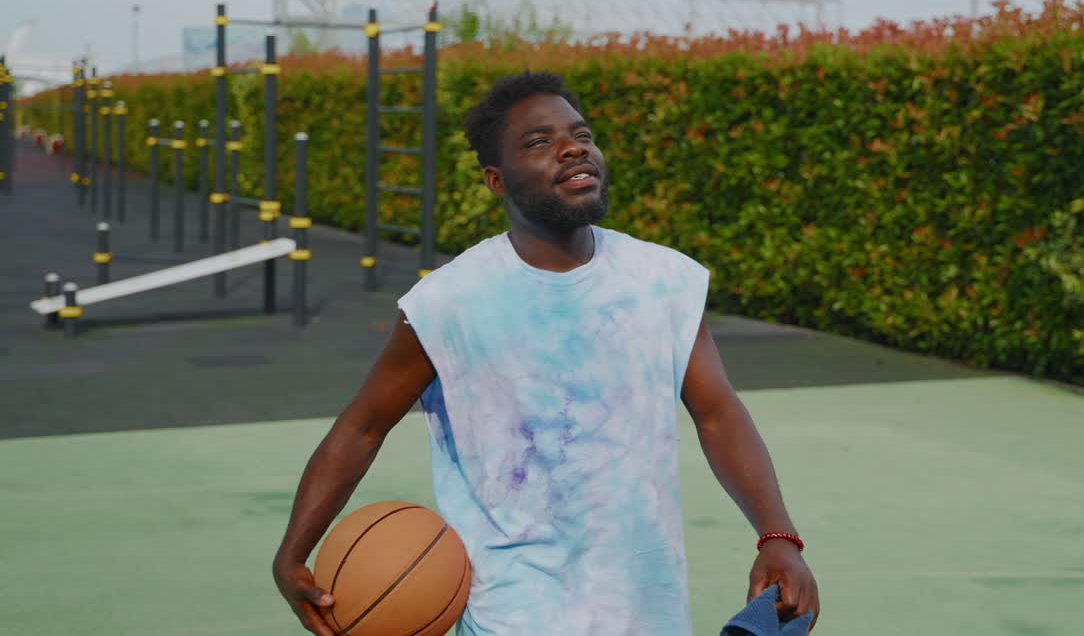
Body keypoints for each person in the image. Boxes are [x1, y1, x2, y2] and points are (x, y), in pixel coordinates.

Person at [272, 71, 820, 635]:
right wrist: (292, 554)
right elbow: (362, 428)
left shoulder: (663, 280)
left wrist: (778, 536)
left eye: (581, 134)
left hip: (647, 613)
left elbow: (718, 414)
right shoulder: (448, 303)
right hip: (511, 615)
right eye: (539, 142)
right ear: (496, 180)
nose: (573, 148)